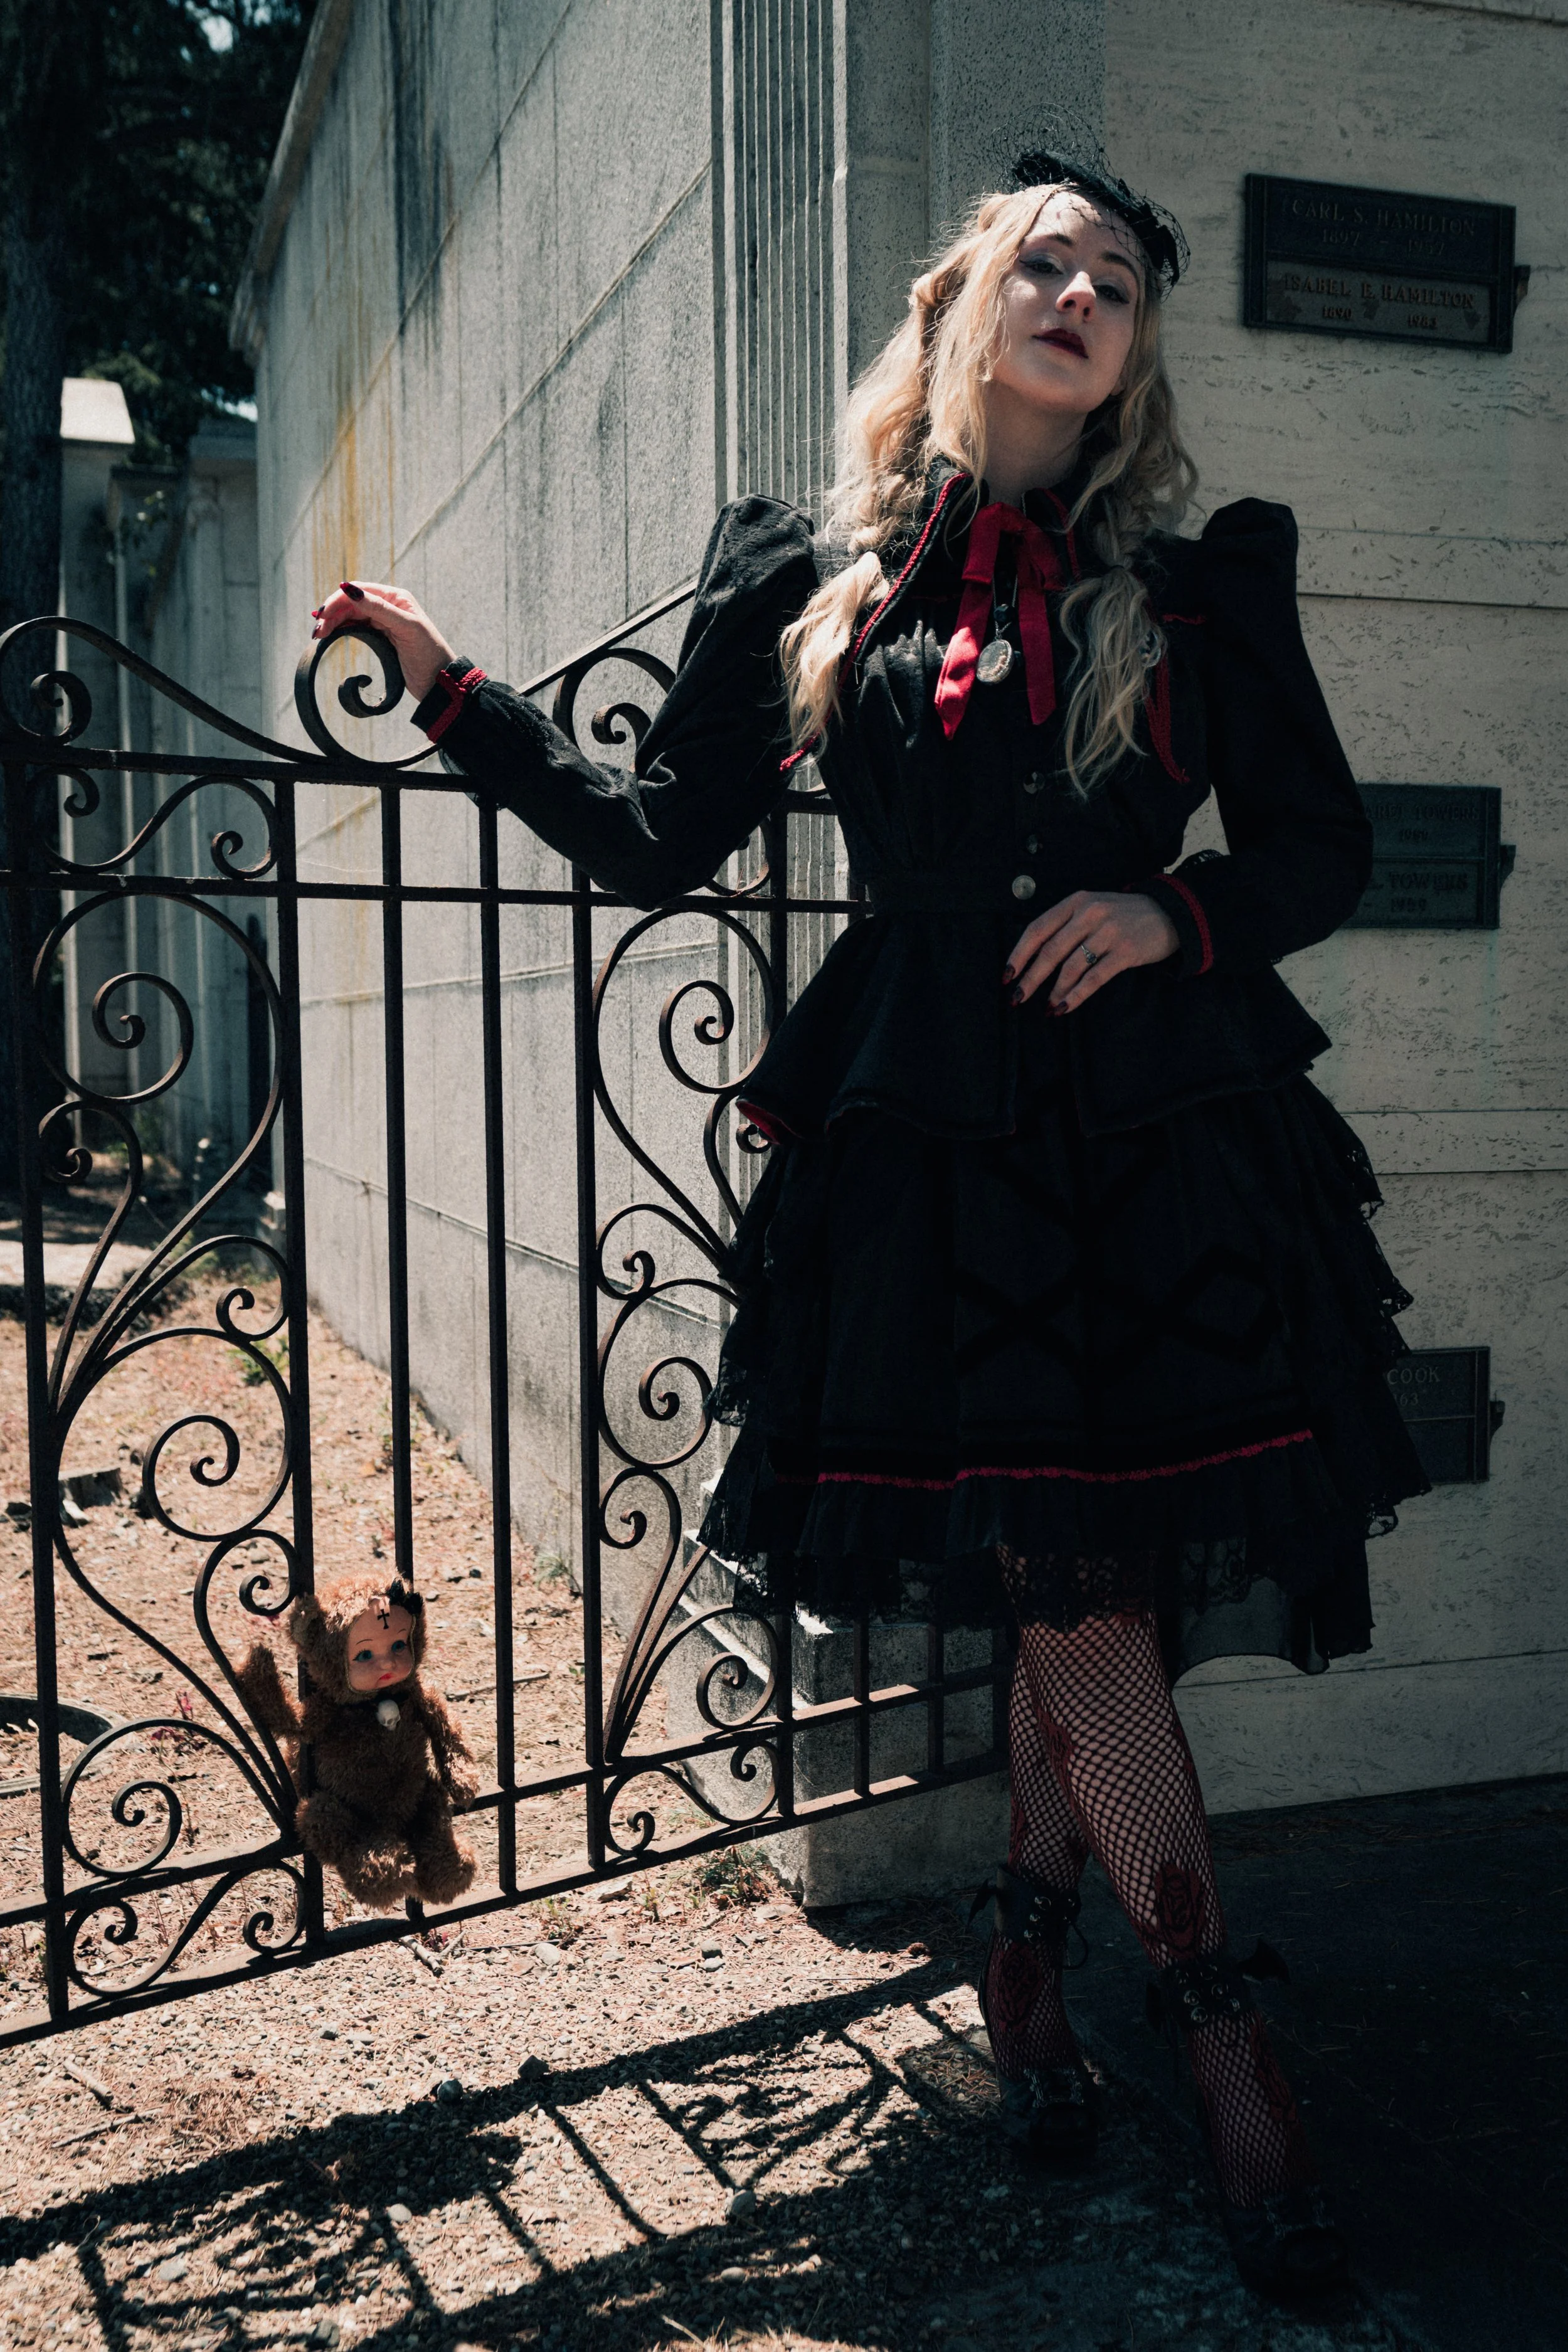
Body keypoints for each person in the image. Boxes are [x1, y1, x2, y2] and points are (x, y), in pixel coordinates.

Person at [309, 149, 1428, 2299]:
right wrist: (460, 695)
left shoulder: (1201, 582)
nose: (1082, 290)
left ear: (1132, 351)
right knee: (1074, 1581)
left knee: (1081, 1580)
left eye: (1114, 277)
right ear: (956, 305)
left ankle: (1040, 1960)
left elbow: (1315, 846)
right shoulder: (813, 571)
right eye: (1045, 259)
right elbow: (657, 836)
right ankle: (1206, 2038)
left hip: (1158, 1137)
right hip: (926, 1148)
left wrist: (1162, 905)